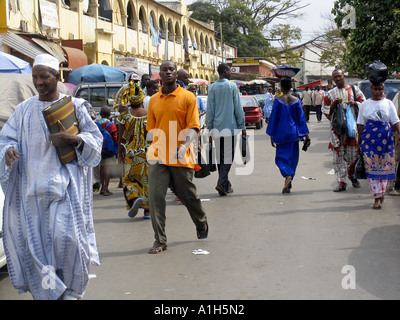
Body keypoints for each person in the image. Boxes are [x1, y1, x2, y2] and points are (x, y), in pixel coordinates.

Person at [0, 54, 102, 300]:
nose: (39, 82)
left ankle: (71, 293)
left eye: (44, 76)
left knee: (68, 242)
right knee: (38, 250)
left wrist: (74, 139)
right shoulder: (24, 110)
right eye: (35, 77)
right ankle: (49, 295)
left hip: (65, 191)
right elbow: (7, 138)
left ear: (57, 77)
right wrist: (8, 150)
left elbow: (95, 142)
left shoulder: (75, 107)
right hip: (33, 193)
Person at [146, 60, 208, 254]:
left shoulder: (188, 98)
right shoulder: (154, 100)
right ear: (160, 74)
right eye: (164, 70)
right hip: (159, 156)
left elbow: (192, 127)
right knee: (155, 197)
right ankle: (160, 240)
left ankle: (201, 221)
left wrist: (185, 146)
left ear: (176, 74)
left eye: (171, 69)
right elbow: (151, 130)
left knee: (187, 195)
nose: (168, 72)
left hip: (181, 155)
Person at [357, 81, 400, 209]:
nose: (378, 92)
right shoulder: (365, 105)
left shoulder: (388, 103)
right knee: (372, 168)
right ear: (371, 88)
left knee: (385, 166)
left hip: (386, 139)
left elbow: (395, 120)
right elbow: (360, 123)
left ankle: (381, 193)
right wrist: (360, 141)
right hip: (370, 140)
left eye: (380, 89)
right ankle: (376, 197)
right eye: (375, 89)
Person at [206, 63, 246, 196]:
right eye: (229, 70)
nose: (230, 72)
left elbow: (210, 110)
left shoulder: (211, 88)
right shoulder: (232, 86)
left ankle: (226, 184)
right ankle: (221, 182)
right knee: (228, 157)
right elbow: (237, 107)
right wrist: (242, 126)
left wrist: (209, 127)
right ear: (224, 71)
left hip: (217, 127)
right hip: (230, 127)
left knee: (220, 157)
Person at [323, 68, 365, 192]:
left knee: (354, 157)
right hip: (337, 131)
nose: (337, 79)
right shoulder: (330, 94)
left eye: (339, 76)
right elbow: (325, 110)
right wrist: (334, 104)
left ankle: (351, 175)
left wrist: (354, 103)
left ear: (344, 76)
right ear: (333, 79)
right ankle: (341, 182)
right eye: (335, 77)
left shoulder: (354, 90)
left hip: (352, 130)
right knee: (338, 157)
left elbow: (364, 104)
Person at [267, 75, 310, 194]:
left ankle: (287, 176)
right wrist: (306, 136)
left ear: (281, 87)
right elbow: (301, 119)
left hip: (281, 134)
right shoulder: (296, 101)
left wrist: (271, 135)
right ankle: (289, 178)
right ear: (291, 87)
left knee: (280, 158)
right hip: (293, 134)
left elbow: (273, 118)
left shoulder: (278, 101)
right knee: (293, 159)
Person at [117, 81, 150, 219]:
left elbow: (121, 137)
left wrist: (119, 153)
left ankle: (134, 197)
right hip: (148, 152)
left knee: (129, 179)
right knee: (147, 180)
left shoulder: (125, 116)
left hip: (131, 153)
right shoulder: (150, 114)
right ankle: (148, 211)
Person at [96, 106, 118, 196]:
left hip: (100, 149)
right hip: (109, 150)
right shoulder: (111, 125)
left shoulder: (96, 124)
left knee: (101, 168)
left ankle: (102, 187)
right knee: (107, 168)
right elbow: (115, 137)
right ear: (109, 114)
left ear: (100, 114)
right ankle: (106, 188)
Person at [386, 92, 400, 195]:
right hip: (398, 133)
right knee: (395, 159)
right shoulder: (398, 96)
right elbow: (394, 118)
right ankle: (390, 186)